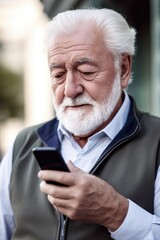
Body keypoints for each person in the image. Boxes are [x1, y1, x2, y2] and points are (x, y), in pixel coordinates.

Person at [0, 8, 160, 240]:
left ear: (123, 68)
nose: (69, 90)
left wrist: (117, 213)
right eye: (58, 74)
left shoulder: (156, 143)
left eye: (86, 71)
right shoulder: (22, 145)